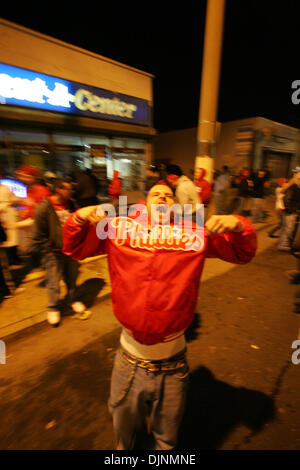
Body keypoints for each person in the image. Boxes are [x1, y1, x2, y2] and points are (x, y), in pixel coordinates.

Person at [62, 181, 257, 450]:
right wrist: (81, 216)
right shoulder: (120, 229)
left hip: (173, 364)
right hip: (128, 361)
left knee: (166, 441)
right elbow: (75, 247)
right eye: (156, 194)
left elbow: (242, 252)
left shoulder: (193, 231)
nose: (163, 197)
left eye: (168, 195)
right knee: (125, 439)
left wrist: (237, 224)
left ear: (175, 205)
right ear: (145, 202)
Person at [32, 178, 89, 326]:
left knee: (72, 278)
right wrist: (48, 251)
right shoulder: (44, 207)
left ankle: (72, 300)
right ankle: (53, 307)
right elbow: (38, 234)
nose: (71, 192)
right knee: (54, 282)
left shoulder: (72, 204)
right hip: (54, 252)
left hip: (71, 250)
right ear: (59, 189)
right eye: (68, 189)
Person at [277, 171, 300, 252]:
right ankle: (284, 244)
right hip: (290, 211)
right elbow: (287, 200)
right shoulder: (293, 188)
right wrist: (290, 210)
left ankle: (283, 244)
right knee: (289, 229)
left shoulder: (296, 187)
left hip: (292, 211)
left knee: (287, 228)